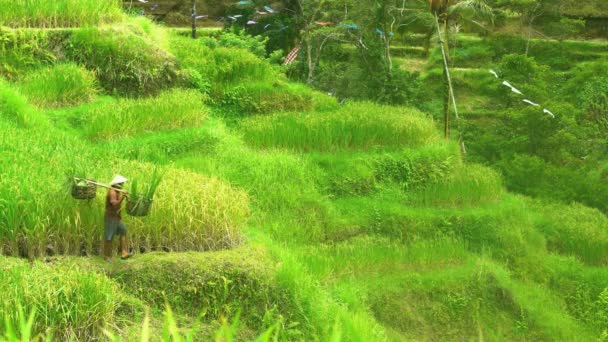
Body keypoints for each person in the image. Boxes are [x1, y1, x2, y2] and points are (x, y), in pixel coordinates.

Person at [104, 175, 133, 262]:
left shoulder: (117, 191)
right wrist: (122, 197)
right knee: (109, 237)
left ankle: (124, 252)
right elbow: (114, 204)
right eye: (121, 183)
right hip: (111, 217)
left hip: (116, 217)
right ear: (117, 184)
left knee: (123, 230)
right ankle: (106, 256)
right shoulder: (112, 192)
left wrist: (126, 197)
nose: (122, 185)